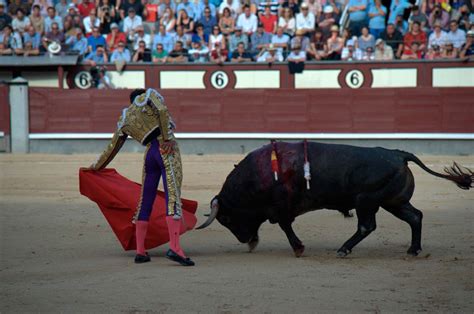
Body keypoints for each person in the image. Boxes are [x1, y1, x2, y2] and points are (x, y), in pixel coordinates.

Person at [88, 89, 195, 266]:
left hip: (150, 155)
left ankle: (140, 251)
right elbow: (162, 110)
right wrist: (167, 139)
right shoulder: (149, 97)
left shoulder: (125, 119)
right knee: (173, 196)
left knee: (145, 200)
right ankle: (175, 248)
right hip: (166, 150)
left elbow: (112, 148)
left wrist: (95, 167)